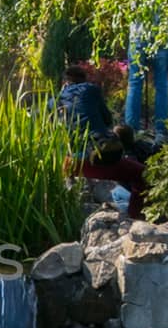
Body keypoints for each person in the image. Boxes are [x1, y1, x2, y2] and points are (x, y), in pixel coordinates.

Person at [58, 64, 145, 218]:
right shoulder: (92, 90)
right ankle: (134, 218)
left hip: (69, 163)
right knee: (142, 175)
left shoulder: (54, 100)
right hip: (97, 156)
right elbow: (107, 119)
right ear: (84, 79)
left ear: (65, 82)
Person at [125, 23, 168, 143]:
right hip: (161, 37)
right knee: (162, 86)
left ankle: (130, 131)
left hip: (137, 37)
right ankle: (160, 132)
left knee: (134, 84)